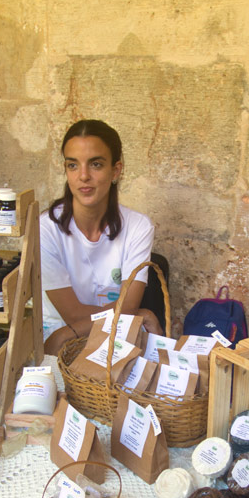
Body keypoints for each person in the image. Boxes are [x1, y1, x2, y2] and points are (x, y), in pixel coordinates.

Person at [39, 120, 160, 355]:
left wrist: (129, 312)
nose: (83, 176)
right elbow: (71, 314)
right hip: (58, 333)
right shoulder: (46, 228)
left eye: (95, 164)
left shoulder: (138, 227)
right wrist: (133, 313)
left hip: (111, 331)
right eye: (73, 165)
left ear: (116, 170)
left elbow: (128, 306)